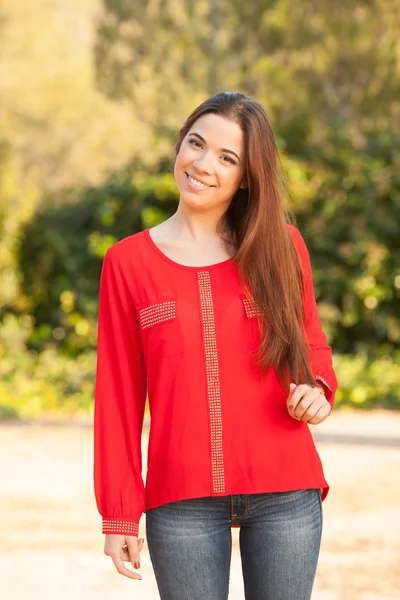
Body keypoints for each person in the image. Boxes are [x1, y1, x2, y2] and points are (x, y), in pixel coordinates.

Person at [93, 91, 338, 600]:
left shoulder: (282, 247)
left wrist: (317, 387)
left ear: (247, 175)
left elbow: (309, 345)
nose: (204, 164)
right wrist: (118, 511)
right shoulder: (127, 263)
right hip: (180, 501)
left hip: (285, 491)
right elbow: (116, 399)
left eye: (227, 158)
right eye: (196, 144)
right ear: (179, 146)